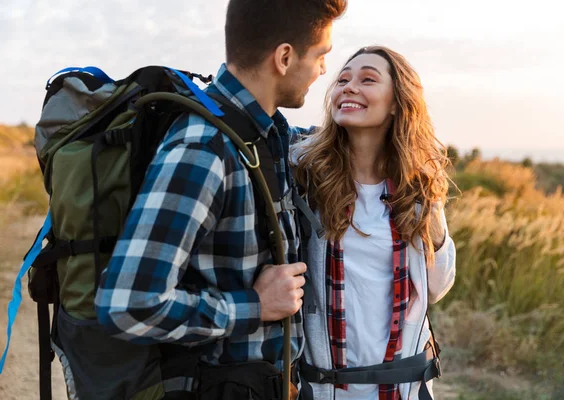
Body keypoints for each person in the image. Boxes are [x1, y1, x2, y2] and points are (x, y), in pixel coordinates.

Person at [94, 1, 347, 399]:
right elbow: (128, 305)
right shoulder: (204, 149)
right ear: (284, 57)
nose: (323, 71)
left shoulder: (268, 135)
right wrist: (254, 305)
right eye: (320, 56)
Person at [292, 46, 456, 400]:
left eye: (368, 79)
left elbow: (436, 287)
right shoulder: (302, 172)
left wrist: (429, 203)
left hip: (401, 387)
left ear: (397, 102)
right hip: (324, 388)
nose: (348, 87)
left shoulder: (416, 185)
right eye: (342, 79)